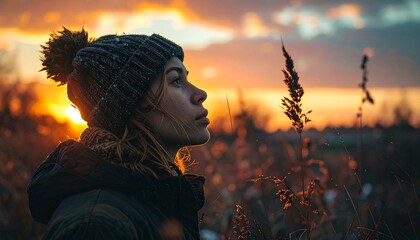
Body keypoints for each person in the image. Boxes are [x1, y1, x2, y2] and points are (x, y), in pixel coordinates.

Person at [27, 27, 210, 239]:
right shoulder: (96, 227)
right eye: (176, 80)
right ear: (130, 104)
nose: (200, 94)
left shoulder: (152, 196)